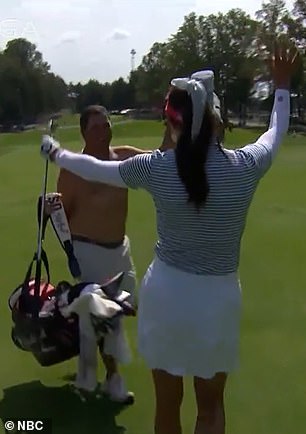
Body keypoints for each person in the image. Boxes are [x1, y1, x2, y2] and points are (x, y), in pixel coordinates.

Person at [40, 41, 299, 434]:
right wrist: (281, 87)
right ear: (215, 120)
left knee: (167, 406)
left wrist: (56, 153)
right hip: (218, 302)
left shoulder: (157, 168)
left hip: (167, 298)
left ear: (174, 125)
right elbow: (275, 131)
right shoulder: (245, 165)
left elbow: (93, 167)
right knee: (210, 408)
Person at [54, 105, 149, 403]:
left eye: (106, 125)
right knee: (108, 318)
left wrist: (182, 120)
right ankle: (112, 380)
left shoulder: (124, 158)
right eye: (95, 127)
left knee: (119, 310)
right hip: (88, 252)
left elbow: (161, 159)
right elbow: (62, 215)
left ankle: (89, 370)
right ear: (83, 132)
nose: (103, 132)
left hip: (120, 251)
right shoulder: (73, 169)